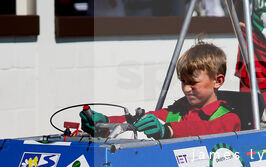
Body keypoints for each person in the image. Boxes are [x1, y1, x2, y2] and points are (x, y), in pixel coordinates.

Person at [81, 41, 242, 138]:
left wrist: (168, 131)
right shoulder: (178, 111)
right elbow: (145, 119)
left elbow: (207, 131)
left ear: (217, 81)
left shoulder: (229, 119)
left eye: (193, 83)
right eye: (183, 82)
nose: (186, 89)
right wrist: (106, 122)